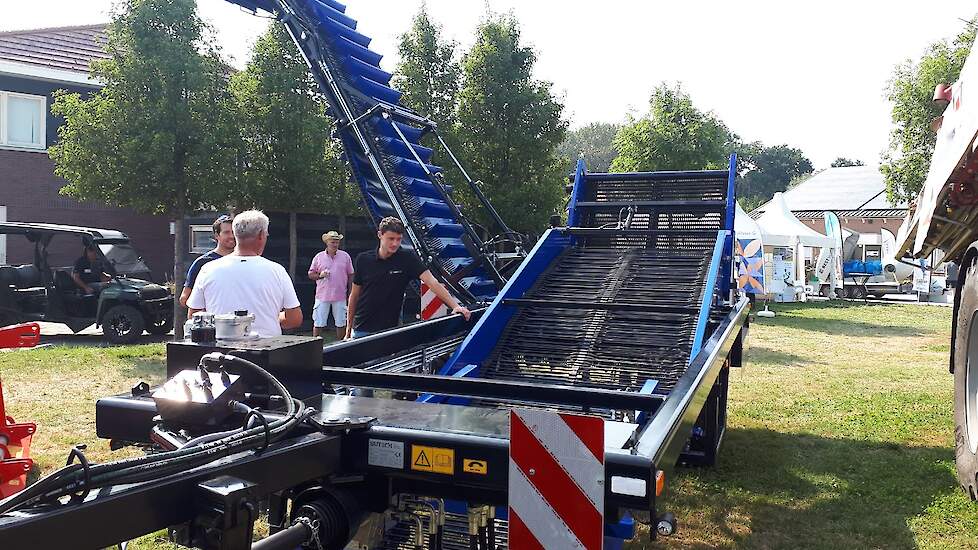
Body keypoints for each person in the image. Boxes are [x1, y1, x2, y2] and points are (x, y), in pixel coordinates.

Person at [345, 216, 471, 339]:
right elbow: (354, 295)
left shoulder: (407, 259)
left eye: (399, 239)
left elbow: (432, 282)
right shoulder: (363, 259)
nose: (395, 243)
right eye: (391, 238)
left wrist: (455, 306)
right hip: (362, 328)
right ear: (380, 235)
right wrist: (348, 329)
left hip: (390, 331)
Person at [187, 210, 302, 337]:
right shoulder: (277, 271)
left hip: (221, 350)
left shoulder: (208, 269)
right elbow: (294, 319)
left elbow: (194, 315)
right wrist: (271, 317)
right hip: (266, 350)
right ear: (261, 235)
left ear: (236, 234)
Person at [179, 214, 235, 308]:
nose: (231, 236)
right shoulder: (202, 263)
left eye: (234, 232)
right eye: (226, 232)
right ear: (217, 235)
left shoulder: (245, 261)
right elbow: (184, 298)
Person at [308, 230, 354, 340]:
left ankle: (341, 347)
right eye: (333, 242)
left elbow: (351, 274)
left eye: (337, 242)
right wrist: (320, 275)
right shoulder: (318, 257)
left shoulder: (345, 256)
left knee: (341, 323)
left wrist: (351, 293)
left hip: (340, 296)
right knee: (318, 323)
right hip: (322, 296)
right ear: (327, 242)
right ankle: (315, 347)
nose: (335, 244)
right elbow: (310, 274)